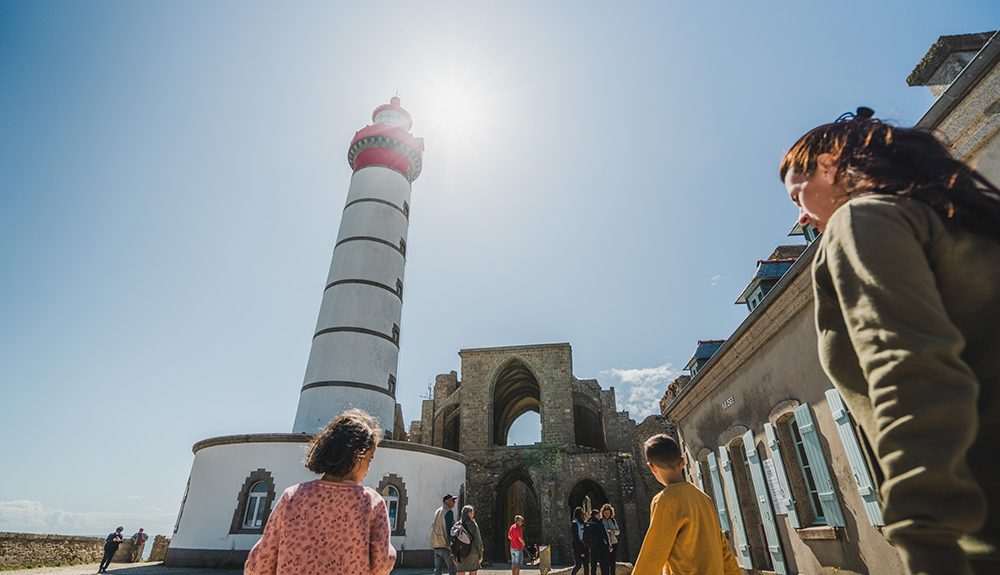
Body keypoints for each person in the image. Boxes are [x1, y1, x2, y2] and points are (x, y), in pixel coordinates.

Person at [781, 108, 1000, 575]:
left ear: (828, 166)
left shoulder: (861, 220)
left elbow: (912, 374)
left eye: (798, 195)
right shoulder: (962, 222)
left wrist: (925, 536)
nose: (801, 214)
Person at [244, 409, 395, 575]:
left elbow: (260, 563)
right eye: (369, 458)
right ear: (357, 456)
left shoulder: (292, 496)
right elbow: (381, 563)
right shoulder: (371, 501)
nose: (369, 467)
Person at [633, 434, 740, 575]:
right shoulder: (704, 498)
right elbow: (723, 548)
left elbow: (654, 553)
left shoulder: (665, 501)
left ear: (652, 467)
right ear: (682, 462)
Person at [431, 493, 458, 575]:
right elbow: (449, 529)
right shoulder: (448, 512)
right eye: (453, 500)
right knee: (452, 568)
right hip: (445, 545)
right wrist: (452, 544)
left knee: (438, 570)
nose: (454, 503)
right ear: (447, 501)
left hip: (436, 544)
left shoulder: (437, 511)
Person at [454, 505, 484, 575]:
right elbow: (478, 541)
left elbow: (453, 541)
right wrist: (481, 554)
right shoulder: (473, 525)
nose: (473, 515)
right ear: (468, 513)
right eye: (472, 513)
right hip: (472, 553)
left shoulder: (457, 525)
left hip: (460, 554)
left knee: (460, 572)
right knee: (473, 572)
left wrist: (453, 555)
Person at [583, 509, 609, 575]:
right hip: (600, 546)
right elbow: (604, 534)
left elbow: (584, 535)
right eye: (599, 515)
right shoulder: (598, 522)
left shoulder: (587, 523)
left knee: (593, 565)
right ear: (596, 515)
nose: (600, 516)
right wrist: (609, 544)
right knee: (603, 564)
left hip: (591, 547)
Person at [599, 504, 621, 575]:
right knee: (606, 561)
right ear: (603, 513)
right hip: (605, 543)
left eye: (608, 513)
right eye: (605, 513)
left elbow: (618, 532)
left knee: (613, 561)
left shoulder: (613, 520)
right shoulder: (601, 521)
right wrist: (607, 531)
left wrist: (614, 532)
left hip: (614, 542)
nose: (607, 514)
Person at [570, 506, 589, 575]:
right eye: (582, 513)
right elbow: (576, 538)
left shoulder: (584, 523)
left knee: (586, 566)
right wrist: (581, 551)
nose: (583, 515)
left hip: (585, 545)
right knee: (578, 565)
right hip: (577, 547)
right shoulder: (574, 523)